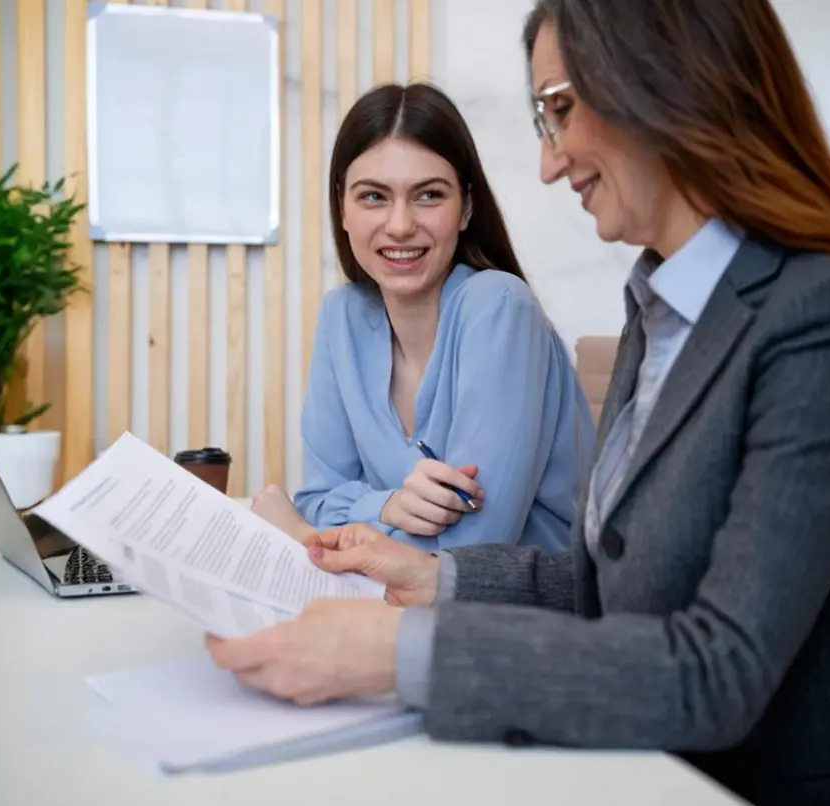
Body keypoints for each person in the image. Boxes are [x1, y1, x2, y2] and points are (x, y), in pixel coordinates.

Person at [208, 1, 830, 806]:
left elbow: (714, 670)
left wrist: (398, 652)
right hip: (617, 763)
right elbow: (599, 585)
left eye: (559, 108)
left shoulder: (815, 315)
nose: (546, 165)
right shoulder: (658, 304)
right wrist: (433, 578)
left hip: (735, 801)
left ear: (665, 82)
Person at [251, 82, 595, 552]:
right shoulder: (342, 318)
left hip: (526, 612)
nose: (399, 225)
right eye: (373, 196)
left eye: (428, 195)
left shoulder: (499, 308)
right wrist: (386, 506)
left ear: (466, 207)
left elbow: (473, 549)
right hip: (393, 602)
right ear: (342, 208)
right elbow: (317, 497)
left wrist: (304, 536)